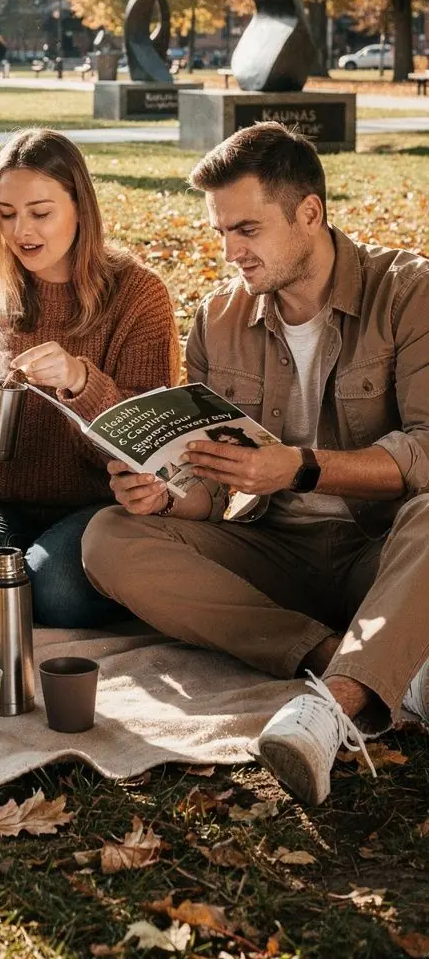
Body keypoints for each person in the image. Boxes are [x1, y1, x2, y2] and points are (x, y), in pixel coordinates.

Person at [83, 121, 429, 806]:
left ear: (310, 214)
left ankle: (330, 709)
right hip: (275, 554)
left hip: (383, 551)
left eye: (246, 229)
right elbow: (212, 494)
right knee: (108, 538)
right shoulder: (217, 319)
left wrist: (301, 467)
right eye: (220, 233)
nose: (231, 251)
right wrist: (165, 492)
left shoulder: (409, 292)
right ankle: (352, 658)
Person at [0, 127, 180, 626]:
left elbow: (153, 446)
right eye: (5, 214)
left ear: (80, 207)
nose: (20, 231)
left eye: (40, 212)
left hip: (98, 509)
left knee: (57, 588)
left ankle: (29, 594)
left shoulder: (137, 295)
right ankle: (21, 595)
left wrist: (82, 382)